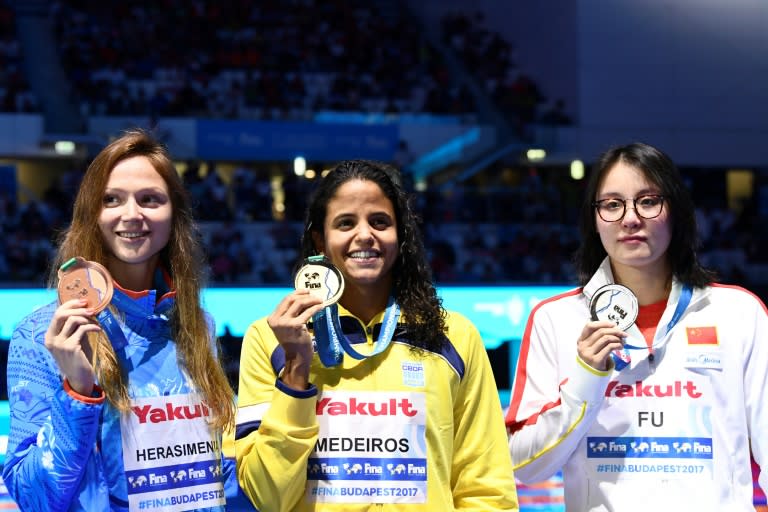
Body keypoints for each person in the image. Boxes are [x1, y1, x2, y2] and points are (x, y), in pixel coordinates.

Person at [235, 159, 518, 511]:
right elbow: (265, 497)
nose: (365, 235)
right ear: (320, 240)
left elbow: (487, 487)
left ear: (401, 235)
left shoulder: (453, 336)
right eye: (346, 223)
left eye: (380, 222)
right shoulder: (271, 338)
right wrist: (295, 372)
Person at [506, 142, 768, 510]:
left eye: (648, 201)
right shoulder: (557, 319)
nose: (630, 218)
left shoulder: (738, 313)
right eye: (612, 204)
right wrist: (586, 378)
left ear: (675, 212)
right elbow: (525, 466)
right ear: (595, 220)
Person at [2, 130, 238, 511]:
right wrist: (78, 392)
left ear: (173, 214)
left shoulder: (197, 325)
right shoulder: (45, 334)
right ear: (91, 215)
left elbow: (212, 474)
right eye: (111, 200)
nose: (132, 214)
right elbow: (36, 498)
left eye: (150, 200)